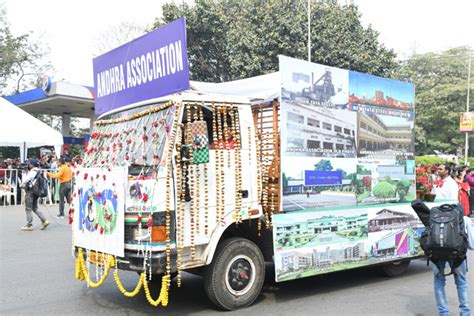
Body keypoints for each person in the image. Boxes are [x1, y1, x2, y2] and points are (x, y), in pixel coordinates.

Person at [431, 215, 473, 316]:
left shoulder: (434, 216)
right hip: (457, 254)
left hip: (437, 254)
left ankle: (444, 313)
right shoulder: (462, 217)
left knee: (439, 282)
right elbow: (472, 243)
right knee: (461, 283)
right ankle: (465, 313)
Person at [21, 160, 50, 231]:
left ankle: (29, 225)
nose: (28, 165)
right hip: (36, 192)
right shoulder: (39, 171)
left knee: (28, 208)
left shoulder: (32, 172)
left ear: (32, 165)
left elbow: (24, 180)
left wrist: (24, 173)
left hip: (30, 191)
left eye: (29, 164)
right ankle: (44, 220)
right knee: (35, 208)